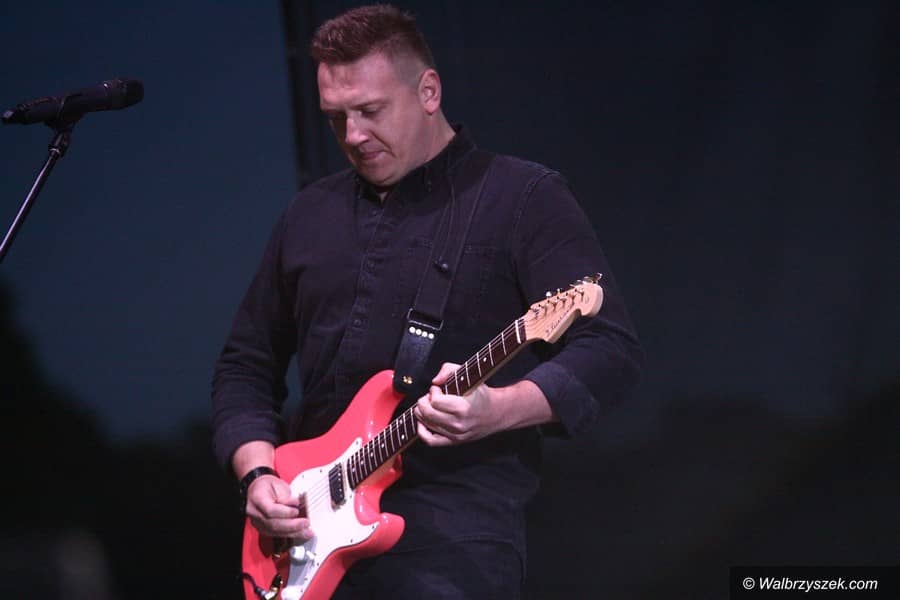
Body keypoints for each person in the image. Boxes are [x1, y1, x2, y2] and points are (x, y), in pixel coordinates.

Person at [212, 4, 642, 598]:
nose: (352, 135)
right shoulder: (308, 214)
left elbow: (611, 349)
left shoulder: (523, 196)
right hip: (305, 544)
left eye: (370, 111)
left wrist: (499, 408)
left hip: (455, 542)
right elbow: (244, 366)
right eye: (335, 118)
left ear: (429, 92)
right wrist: (257, 473)